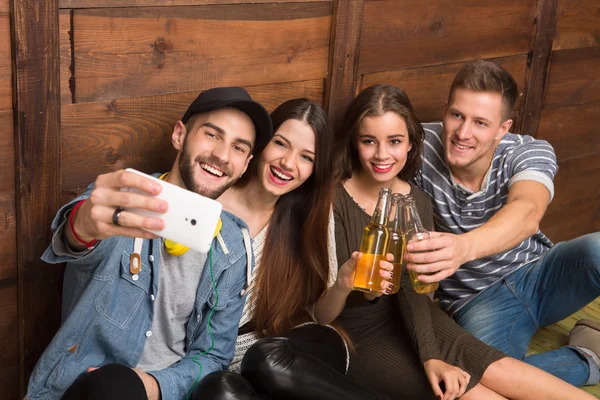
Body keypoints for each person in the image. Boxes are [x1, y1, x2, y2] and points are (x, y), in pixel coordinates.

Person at [326, 83, 594, 400]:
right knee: (478, 394)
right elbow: (324, 314)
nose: (383, 154)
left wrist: (430, 356)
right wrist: (349, 282)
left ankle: (589, 360)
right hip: (358, 335)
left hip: (422, 319)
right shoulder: (333, 200)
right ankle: (589, 359)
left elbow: (415, 293)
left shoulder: (416, 200)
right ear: (355, 143)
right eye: (369, 141)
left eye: (395, 141)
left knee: (509, 373)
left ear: (411, 143)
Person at [25, 87, 273, 400]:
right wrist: (83, 224)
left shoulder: (233, 245)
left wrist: (152, 386)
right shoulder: (123, 201)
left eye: (238, 148)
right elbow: (78, 232)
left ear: (246, 163)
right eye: (212, 134)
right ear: (180, 135)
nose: (222, 155)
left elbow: (212, 356)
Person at [406, 60, 600, 387]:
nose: (463, 133)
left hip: (541, 275)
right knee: (475, 382)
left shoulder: (526, 151)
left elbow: (526, 210)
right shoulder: (417, 148)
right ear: (445, 111)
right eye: (457, 115)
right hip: (476, 301)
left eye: (481, 122)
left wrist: (463, 247)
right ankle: (587, 359)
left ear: (503, 128)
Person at [195, 98, 393, 400]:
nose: (288, 163)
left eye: (306, 157)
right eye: (281, 144)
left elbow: (321, 315)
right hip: (224, 356)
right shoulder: (212, 201)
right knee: (216, 390)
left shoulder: (309, 212)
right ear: (261, 144)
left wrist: (341, 285)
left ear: (315, 168)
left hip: (296, 351)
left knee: (266, 359)